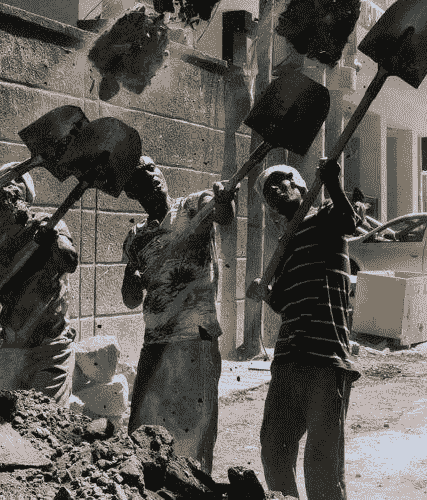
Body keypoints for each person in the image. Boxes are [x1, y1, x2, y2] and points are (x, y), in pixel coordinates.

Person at [246, 160, 361, 500]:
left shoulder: (324, 218)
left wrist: (333, 182)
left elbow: (349, 221)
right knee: (274, 449)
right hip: (287, 359)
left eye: (281, 181)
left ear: (299, 185)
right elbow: (284, 303)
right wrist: (264, 293)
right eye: (268, 191)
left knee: (322, 464)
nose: (275, 190)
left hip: (325, 357)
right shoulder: (284, 246)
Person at [120, 155, 236, 475]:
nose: (151, 176)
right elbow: (130, 299)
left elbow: (223, 214)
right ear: (131, 192)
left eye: (152, 168)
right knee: (142, 434)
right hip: (155, 343)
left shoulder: (193, 206)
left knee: (193, 440)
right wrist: (132, 278)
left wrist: (223, 199)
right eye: (140, 176)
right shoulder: (135, 238)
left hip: (197, 336)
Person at [0, 164, 79, 405]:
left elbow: (70, 262)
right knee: (4, 421)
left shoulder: (50, 224)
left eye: (17, 179)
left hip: (50, 348)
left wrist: (53, 239)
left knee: (47, 418)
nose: (9, 184)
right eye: (3, 182)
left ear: (28, 194)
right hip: (11, 350)